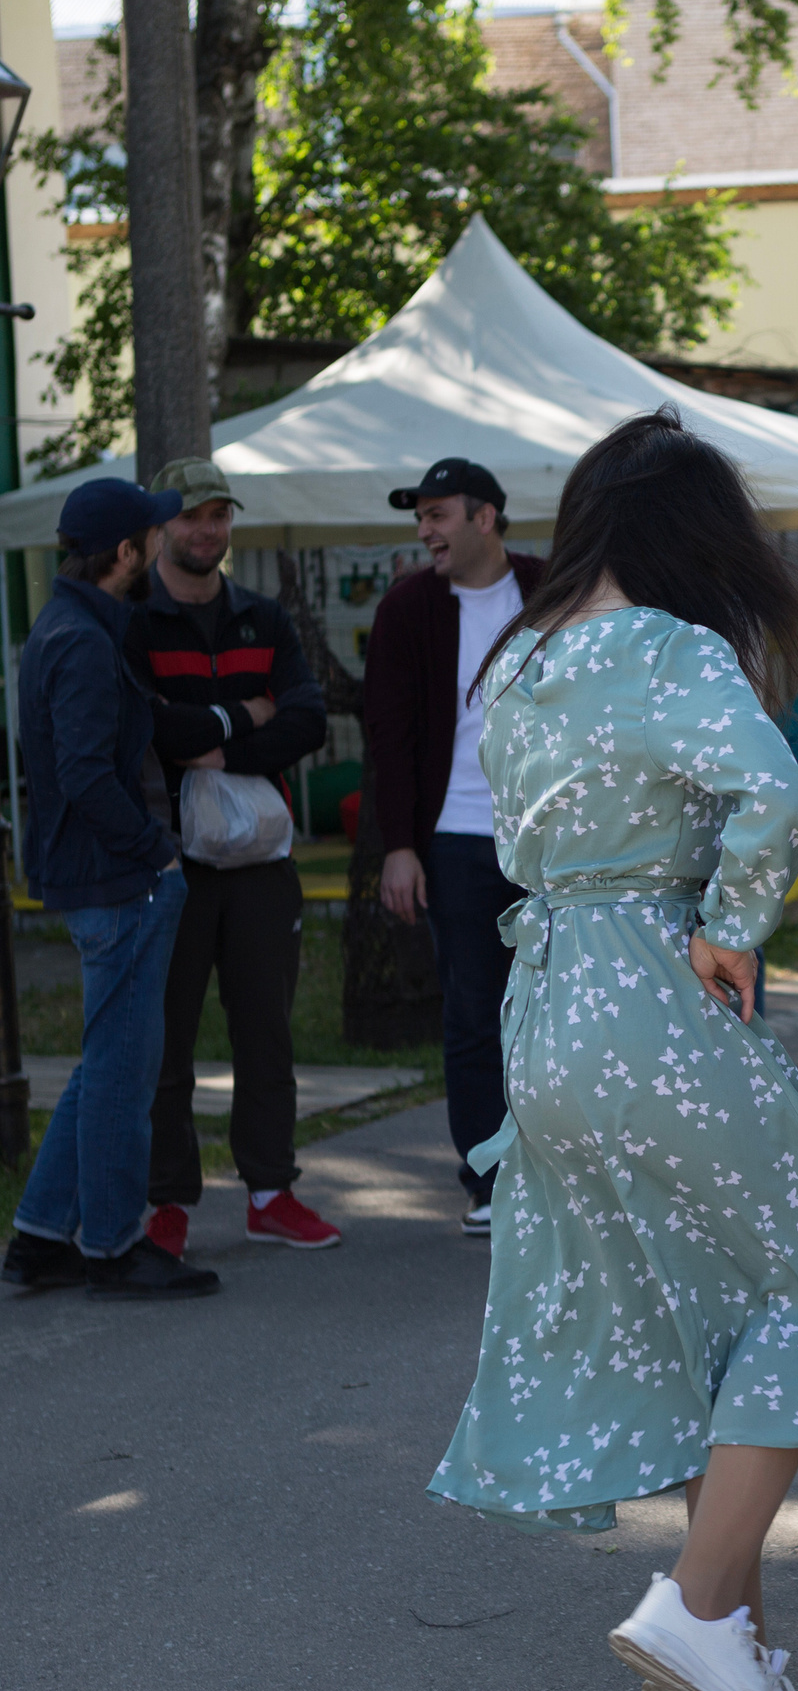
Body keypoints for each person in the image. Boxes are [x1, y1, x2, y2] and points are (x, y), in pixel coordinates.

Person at [428, 410, 798, 1691]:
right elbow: (773, 789)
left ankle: (747, 1673)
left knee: (706, 1321)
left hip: (545, 1013)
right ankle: (701, 1609)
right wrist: (731, 922)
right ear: (692, 535)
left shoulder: (524, 654)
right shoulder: (666, 647)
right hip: (655, 994)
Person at [0, 479, 213, 1301]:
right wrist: (154, 851)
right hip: (118, 880)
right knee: (124, 1071)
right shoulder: (83, 643)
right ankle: (115, 1246)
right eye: (153, 535)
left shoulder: (63, 627)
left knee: (102, 1064)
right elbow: (86, 772)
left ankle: (39, 1237)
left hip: (97, 876)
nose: (161, 544)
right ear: (125, 553)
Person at [129, 457, 334, 1255]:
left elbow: (309, 721)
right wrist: (240, 716)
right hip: (168, 864)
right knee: (167, 1040)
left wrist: (209, 742)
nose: (206, 530)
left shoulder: (264, 618)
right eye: (189, 515)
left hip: (259, 862)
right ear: (160, 528)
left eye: (218, 514)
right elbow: (147, 728)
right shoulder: (135, 622)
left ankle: (270, 1191)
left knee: (266, 1034)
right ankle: (168, 1203)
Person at [362, 458, 546, 1233]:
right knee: (474, 1013)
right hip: (458, 839)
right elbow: (388, 738)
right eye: (420, 518)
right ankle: (488, 1180)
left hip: (550, 840)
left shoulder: (552, 588)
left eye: (439, 515)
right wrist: (396, 847)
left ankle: (562, 1171)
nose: (426, 531)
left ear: (486, 517)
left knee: (559, 1009)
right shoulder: (408, 609)